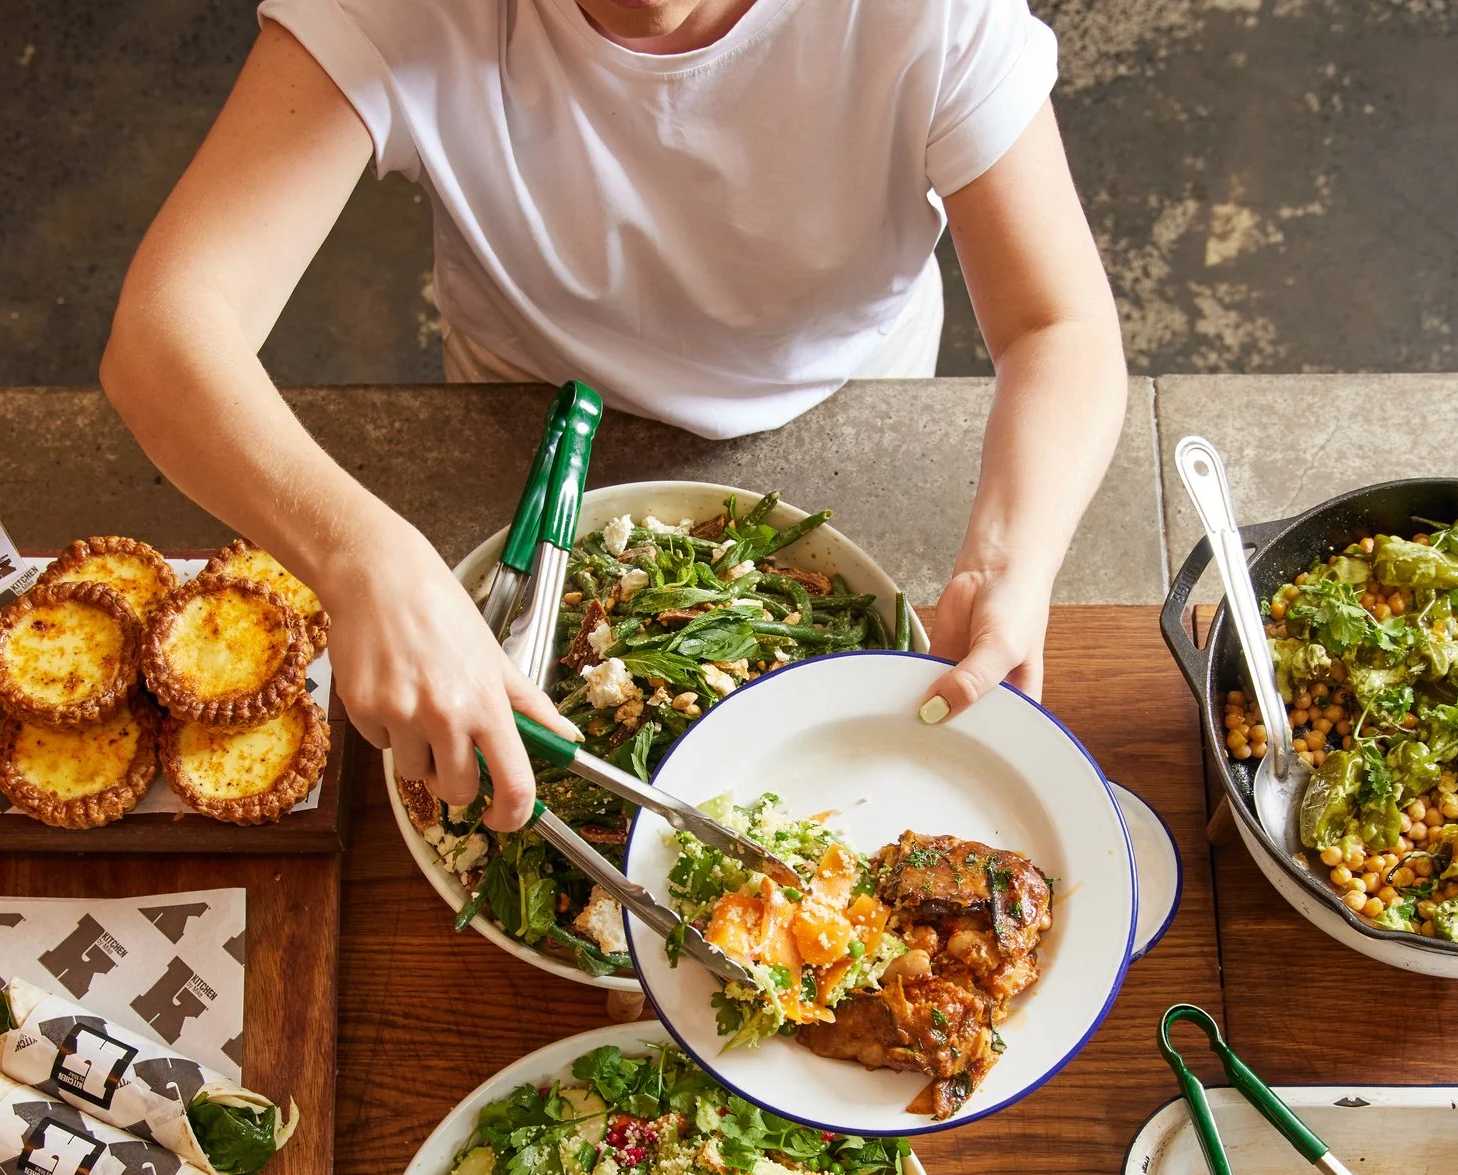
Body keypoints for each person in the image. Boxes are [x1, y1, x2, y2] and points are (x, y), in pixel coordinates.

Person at [101, 0, 1126, 833]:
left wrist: (1007, 559)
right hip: (522, 415)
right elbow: (164, 333)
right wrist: (362, 554)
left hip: (843, 403)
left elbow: (1060, 325)